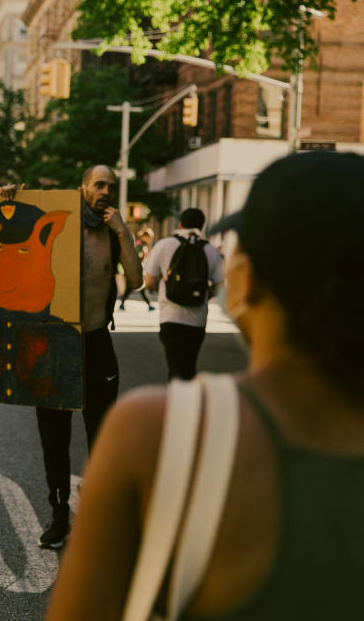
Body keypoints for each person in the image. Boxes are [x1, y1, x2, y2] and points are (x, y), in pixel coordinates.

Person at [45, 151, 364, 621]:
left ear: (242, 283)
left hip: (99, 347)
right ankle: (55, 512)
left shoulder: (150, 431)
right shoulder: (64, 226)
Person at [0, 165, 143, 550]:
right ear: (82, 187)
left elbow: (136, 280)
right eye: (99, 184)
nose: (105, 192)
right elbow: (11, 237)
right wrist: (12, 199)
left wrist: (124, 232)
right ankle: (59, 514)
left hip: (96, 343)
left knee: (102, 437)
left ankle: (97, 515)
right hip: (53, 345)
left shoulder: (112, 235)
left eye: (111, 186)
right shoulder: (55, 222)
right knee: (54, 437)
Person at [144, 208, 224, 380]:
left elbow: (149, 282)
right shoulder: (211, 251)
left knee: (175, 367)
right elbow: (220, 285)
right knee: (189, 365)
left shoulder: (164, 245)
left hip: (170, 317)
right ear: (202, 226)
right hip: (197, 320)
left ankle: (180, 402)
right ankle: (188, 400)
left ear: (180, 224)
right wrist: (205, 294)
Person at [118, 227, 155, 311]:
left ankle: (122, 303)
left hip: (137, 270)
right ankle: (149, 305)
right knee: (137, 288)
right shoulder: (139, 245)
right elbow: (134, 257)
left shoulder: (142, 244)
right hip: (135, 270)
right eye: (149, 237)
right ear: (144, 236)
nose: (149, 240)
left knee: (133, 288)